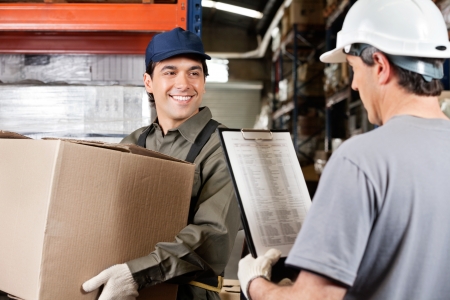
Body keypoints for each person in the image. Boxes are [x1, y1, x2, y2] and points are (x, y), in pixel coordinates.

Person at [237, 0, 450, 299]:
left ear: (380, 66)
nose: (353, 85)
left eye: (353, 69)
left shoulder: (360, 160)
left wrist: (255, 284)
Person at [82, 27, 240, 300]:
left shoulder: (225, 146)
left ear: (203, 82)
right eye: (170, 72)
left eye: (194, 73)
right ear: (148, 82)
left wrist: (135, 274)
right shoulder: (131, 143)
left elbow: (213, 237)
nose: (184, 83)